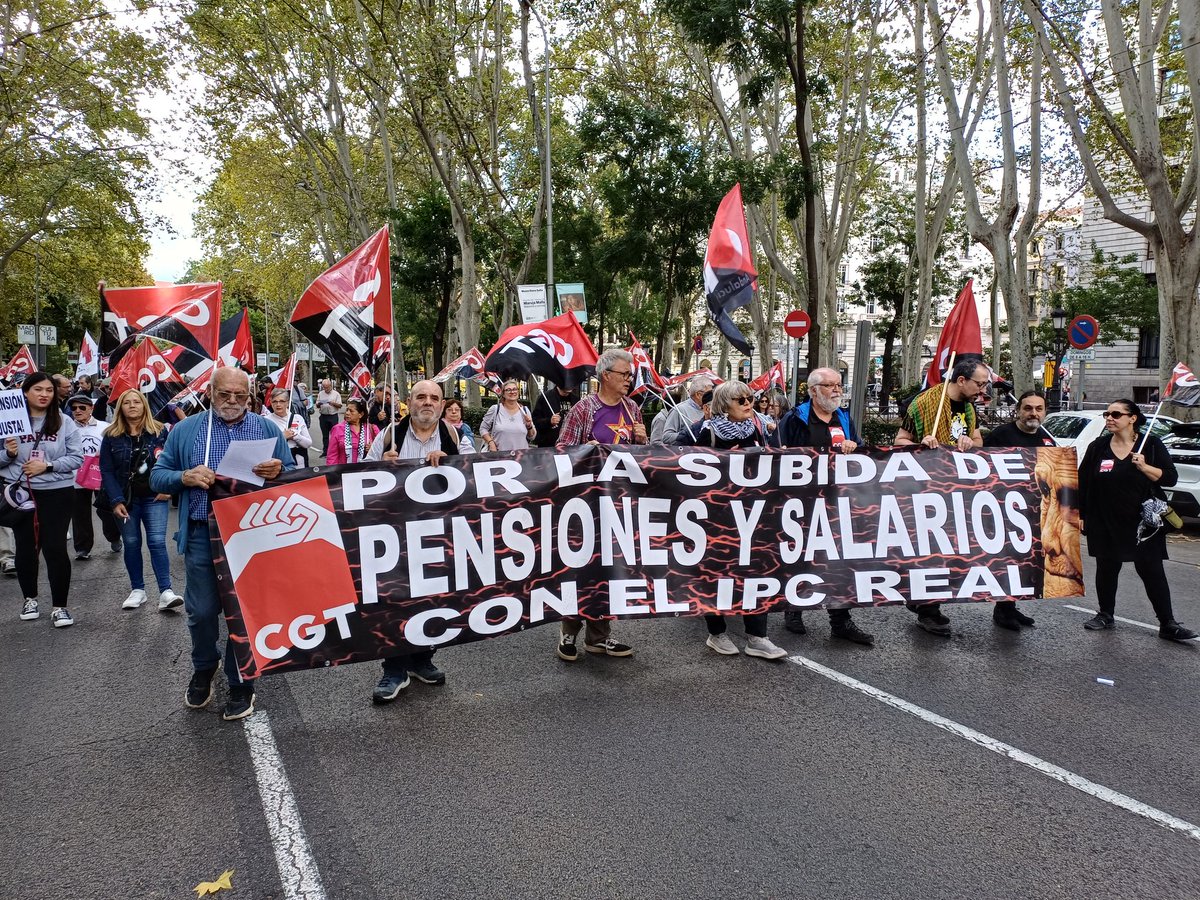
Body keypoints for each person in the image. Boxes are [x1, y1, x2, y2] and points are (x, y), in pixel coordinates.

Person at [150, 368, 293, 720]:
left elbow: (292, 474)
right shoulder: (186, 430)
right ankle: (204, 665)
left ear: (250, 396)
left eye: (240, 396)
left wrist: (279, 472)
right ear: (210, 393)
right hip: (203, 532)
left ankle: (241, 678)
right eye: (224, 394)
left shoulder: (267, 429)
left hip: (253, 535)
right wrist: (184, 477)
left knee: (245, 611)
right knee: (201, 611)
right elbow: (157, 476)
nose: (232, 401)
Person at [677, 381, 790, 660]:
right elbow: (673, 457)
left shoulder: (759, 429)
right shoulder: (705, 431)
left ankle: (758, 637)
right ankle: (716, 633)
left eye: (750, 398)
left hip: (753, 515)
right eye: (741, 400)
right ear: (724, 405)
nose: (749, 403)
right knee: (715, 573)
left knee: (757, 571)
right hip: (716, 516)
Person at [368, 380, 463, 702]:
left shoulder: (453, 436)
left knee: (433, 598)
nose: (427, 402)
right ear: (409, 402)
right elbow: (358, 476)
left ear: (442, 404)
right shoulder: (389, 435)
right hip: (394, 535)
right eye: (421, 396)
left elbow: (475, 475)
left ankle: (423, 659)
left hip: (437, 534)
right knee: (395, 598)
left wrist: (453, 463)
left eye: (434, 398)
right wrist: (381, 467)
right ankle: (394, 669)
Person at [1078, 399, 1198, 642]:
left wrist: (1145, 467)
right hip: (1105, 519)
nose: (1109, 418)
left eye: (1116, 414)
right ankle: (1105, 614)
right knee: (1107, 568)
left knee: (1152, 570)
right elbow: (1082, 482)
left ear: (1132, 418)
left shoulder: (1150, 444)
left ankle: (1168, 623)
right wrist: (1080, 515)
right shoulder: (1098, 447)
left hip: (1144, 523)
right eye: (1107, 414)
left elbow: (1170, 478)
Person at [554, 349, 647, 661]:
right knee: (580, 568)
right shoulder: (583, 409)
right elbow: (561, 450)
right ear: (605, 375)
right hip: (586, 505)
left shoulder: (632, 409)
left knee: (610, 569)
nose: (629, 379)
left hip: (619, 504)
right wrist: (585, 450)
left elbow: (643, 460)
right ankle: (569, 631)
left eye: (630, 375)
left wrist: (642, 440)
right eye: (624, 374)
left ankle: (599, 637)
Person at [776, 368, 874, 645]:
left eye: (839, 385)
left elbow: (862, 452)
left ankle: (841, 620)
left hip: (836, 499)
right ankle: (793, 609)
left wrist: (855, 446)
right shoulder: (795, 418)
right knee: (801, 557)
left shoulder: (843, 417)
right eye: (830, 385)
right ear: (813, 390)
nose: (837, 390)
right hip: (802, 501)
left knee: (839, 559)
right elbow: (776, 454)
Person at [893, 358, 986, 636]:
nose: (982, 390)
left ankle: (924, 601)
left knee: (948, 550)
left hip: (956, 490)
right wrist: (920, 444)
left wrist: (970, 442)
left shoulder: (969, 407)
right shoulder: (923, 404)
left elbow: (978, 440)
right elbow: (899, 441)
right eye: (979, 384)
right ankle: (928, 609)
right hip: (925, 491)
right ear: (961, 380)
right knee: (930, 551)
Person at [3, 372, 83, 627]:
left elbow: (77, 458)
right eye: (38, 389)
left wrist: (47, 466)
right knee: (26, 547)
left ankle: (60, 606)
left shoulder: (65, 422)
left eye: (49, 390)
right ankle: (30, 599)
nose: (44, 394)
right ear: (25, 392)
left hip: (57, 492)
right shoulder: (8, 421)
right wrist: (8, 454)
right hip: (21, 494)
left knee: (55, 547)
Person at [100, 389, 182, 612]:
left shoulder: (159, 431)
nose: (132, 405)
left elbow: (172, 460)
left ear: (144, 405)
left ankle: (166, 591)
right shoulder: (111, 435)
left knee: (156, 542)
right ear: (121, 407)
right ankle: (138, 590)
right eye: (127, 402)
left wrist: (168, 489)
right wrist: (116, 500)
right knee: (132, 542)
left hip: (155, 496)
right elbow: (106, 470)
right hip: (126, 499)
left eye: (137, 401)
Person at [982, 390, 1055, 631]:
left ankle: (1009, 607)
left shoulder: (1047, 439)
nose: (1033, 413)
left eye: (1039, 409)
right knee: (1006, 560)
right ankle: (1003, 611)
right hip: (1002, 509)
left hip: (1032, 511)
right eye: (1028, 408)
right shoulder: (1001, 435)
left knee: (1024, 561)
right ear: (1018, 411)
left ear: (1045, 412)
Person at [67, 393, 121, 560]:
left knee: (106, 510)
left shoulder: (104, 427)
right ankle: (82, 548)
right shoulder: (67, 428)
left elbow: (114, 448)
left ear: (91, 408)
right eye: (74, 408)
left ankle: (114, 537)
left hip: (101, 476)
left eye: (82, 407)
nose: (77, 411)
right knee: (79, 513)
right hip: (76, 477)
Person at [651, 375, 713, 444]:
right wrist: (688, 435)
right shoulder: (679, 410)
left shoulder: (710, 410)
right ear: (698, 395)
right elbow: (666, 437)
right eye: (709, 394)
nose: (712, 397)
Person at [479, 380, 536, 451]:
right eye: (508, 390)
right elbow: (483, 429)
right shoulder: (495, 409)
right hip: (499, 455)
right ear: (503, 394)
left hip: (521, 455)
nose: (512, 392)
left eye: (514, 389)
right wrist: (491, 442)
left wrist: (529, 426)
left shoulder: (525, 411)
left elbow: (532, 437)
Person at [264, 388, 313, 467]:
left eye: (282, 401)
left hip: (299, 464)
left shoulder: (298, 418)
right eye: (275, 401)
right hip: (278, 464)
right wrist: (282, 436)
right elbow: (265, 447)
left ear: (287, 403)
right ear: (271, 402)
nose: (278, 404)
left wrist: (295, 436)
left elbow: (308, 444)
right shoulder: (266, 420)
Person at [326, 399, 377, 465]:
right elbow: (332, 455)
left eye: (351, 411)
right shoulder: (337, 429)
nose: (347, 413)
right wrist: (332, 470)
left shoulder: (370, 429)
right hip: (343, 470)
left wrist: (372, 449)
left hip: (365, 470)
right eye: (347, 410)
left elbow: (380, 449)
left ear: (360, 414)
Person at [532, 383, 579, 448]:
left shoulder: (576, 400)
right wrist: (549, 421)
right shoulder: (546, 397)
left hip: (571, 445)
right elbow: (535, 421)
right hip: (549, 446)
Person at [316, 378, 342, 456]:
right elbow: (317, 404)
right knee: (325, 435)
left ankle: (335, 451)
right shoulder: (321, 393)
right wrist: (319, 404)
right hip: (323, 416)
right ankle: (325, 451)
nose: (326, 389)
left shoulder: (336, 394)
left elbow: (340, 405)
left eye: (327, 387)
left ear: (331, 386)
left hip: (333, 416)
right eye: (324, 387)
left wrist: (333, 403)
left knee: (334, 435)